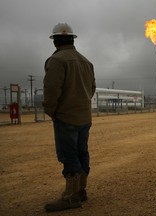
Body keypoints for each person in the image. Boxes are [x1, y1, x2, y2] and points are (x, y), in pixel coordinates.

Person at [43, 23, 96, 212]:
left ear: (55, 40)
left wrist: (52, 111)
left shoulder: (57, 61)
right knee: (82, 152)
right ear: (73, 39)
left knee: (69, 155)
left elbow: (51, 91)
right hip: (84, 117)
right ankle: (81, 191)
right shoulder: (86, 62)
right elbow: (92, 89)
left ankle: (71, 197)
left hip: (66, 118)